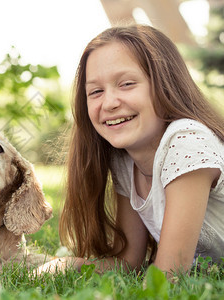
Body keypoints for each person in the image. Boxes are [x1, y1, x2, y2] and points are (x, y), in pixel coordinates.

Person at [37, 24, 224, 276]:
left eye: (126, 84)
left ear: (165, 84)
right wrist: (68, 265)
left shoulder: (187, 140)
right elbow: (129, 262)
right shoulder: (126, 159)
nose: (110, 102)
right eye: (96, 91)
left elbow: (167, 276)